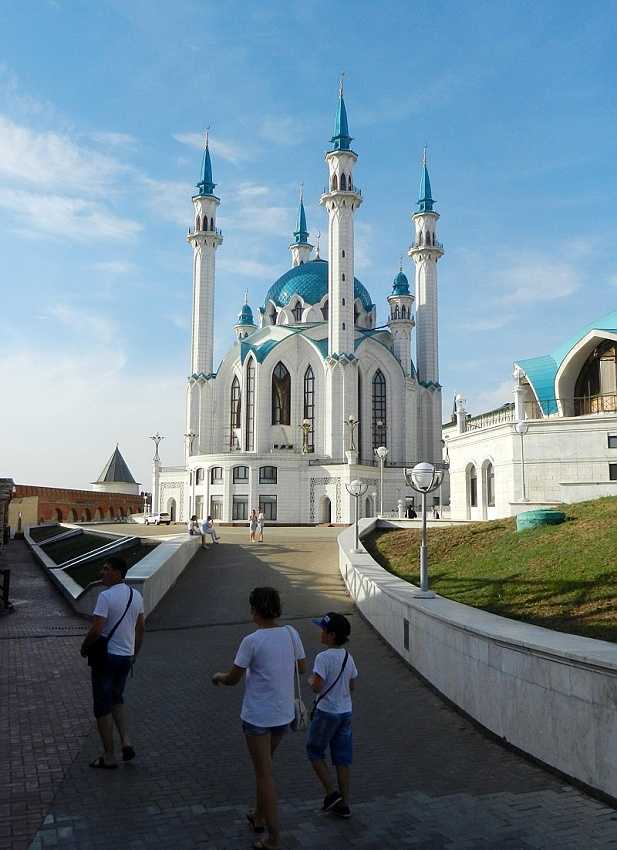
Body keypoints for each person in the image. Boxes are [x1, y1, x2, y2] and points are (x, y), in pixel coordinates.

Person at [212, 587, 305, 850]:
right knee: (263, 768)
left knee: (264, 774)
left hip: (258, 718)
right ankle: (258, 815)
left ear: (254, 610)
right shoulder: (291, 633)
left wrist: (218, 677)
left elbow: (232, 679)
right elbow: (301, 667)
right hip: (283, 715)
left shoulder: (251, 641)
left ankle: (274, 838)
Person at [80, 555, 145, 769]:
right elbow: (140, 628)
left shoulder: (105, 597)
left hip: (106, 659)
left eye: (106, 569)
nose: (102, 572)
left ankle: (108, 756)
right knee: (117, 699)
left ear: (118, 572)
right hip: (125, 658)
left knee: (102, 707)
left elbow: (97, 629)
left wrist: (84, 646)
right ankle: (126, 742)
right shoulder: (136, 596)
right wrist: (134, 653)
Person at [306, 612, 358, 819]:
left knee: (314, 750)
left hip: (327, 712)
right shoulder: (348, 656)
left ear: (332, 635)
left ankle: (331, 793)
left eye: (323, 630)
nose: (320, 632)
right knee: (342, 758)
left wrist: (311, 682)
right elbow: (352, 685)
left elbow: (317, 687)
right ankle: (345, 804)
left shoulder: (322, 657)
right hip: (345, 712)